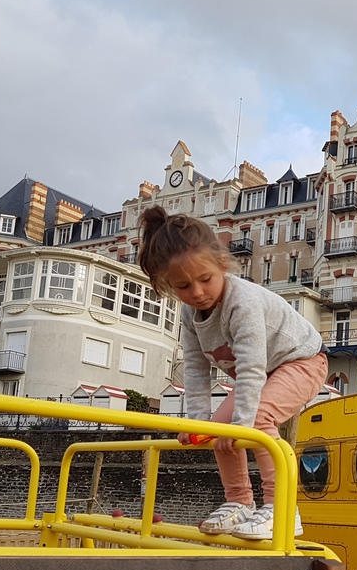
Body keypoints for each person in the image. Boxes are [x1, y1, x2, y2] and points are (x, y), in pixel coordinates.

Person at [137, 206, 328, 540]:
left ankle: (281, 508)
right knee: (215, 429)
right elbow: (195, 369)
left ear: (222, 264)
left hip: (302, 362)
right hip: (264, 374)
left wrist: (241, 424)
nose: (196, 292)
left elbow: (252, 367)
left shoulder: (242, 302)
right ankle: (239, 501)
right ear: (170, 285)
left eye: (205, 280)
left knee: (256, 420)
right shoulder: (190, 313)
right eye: (183, 286)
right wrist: (196, 423)